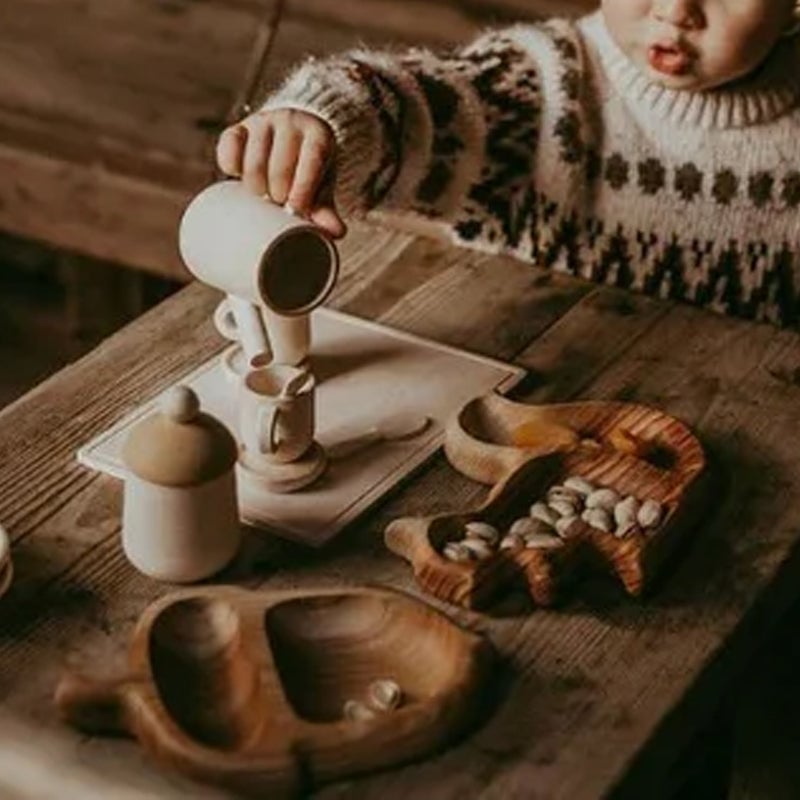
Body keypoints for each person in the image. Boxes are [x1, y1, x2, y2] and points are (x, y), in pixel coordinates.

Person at [217, 0, 800, 328]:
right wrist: (327, 117)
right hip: (546, 415)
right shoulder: (546, 83)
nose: (675, 10)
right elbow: (420, 108)